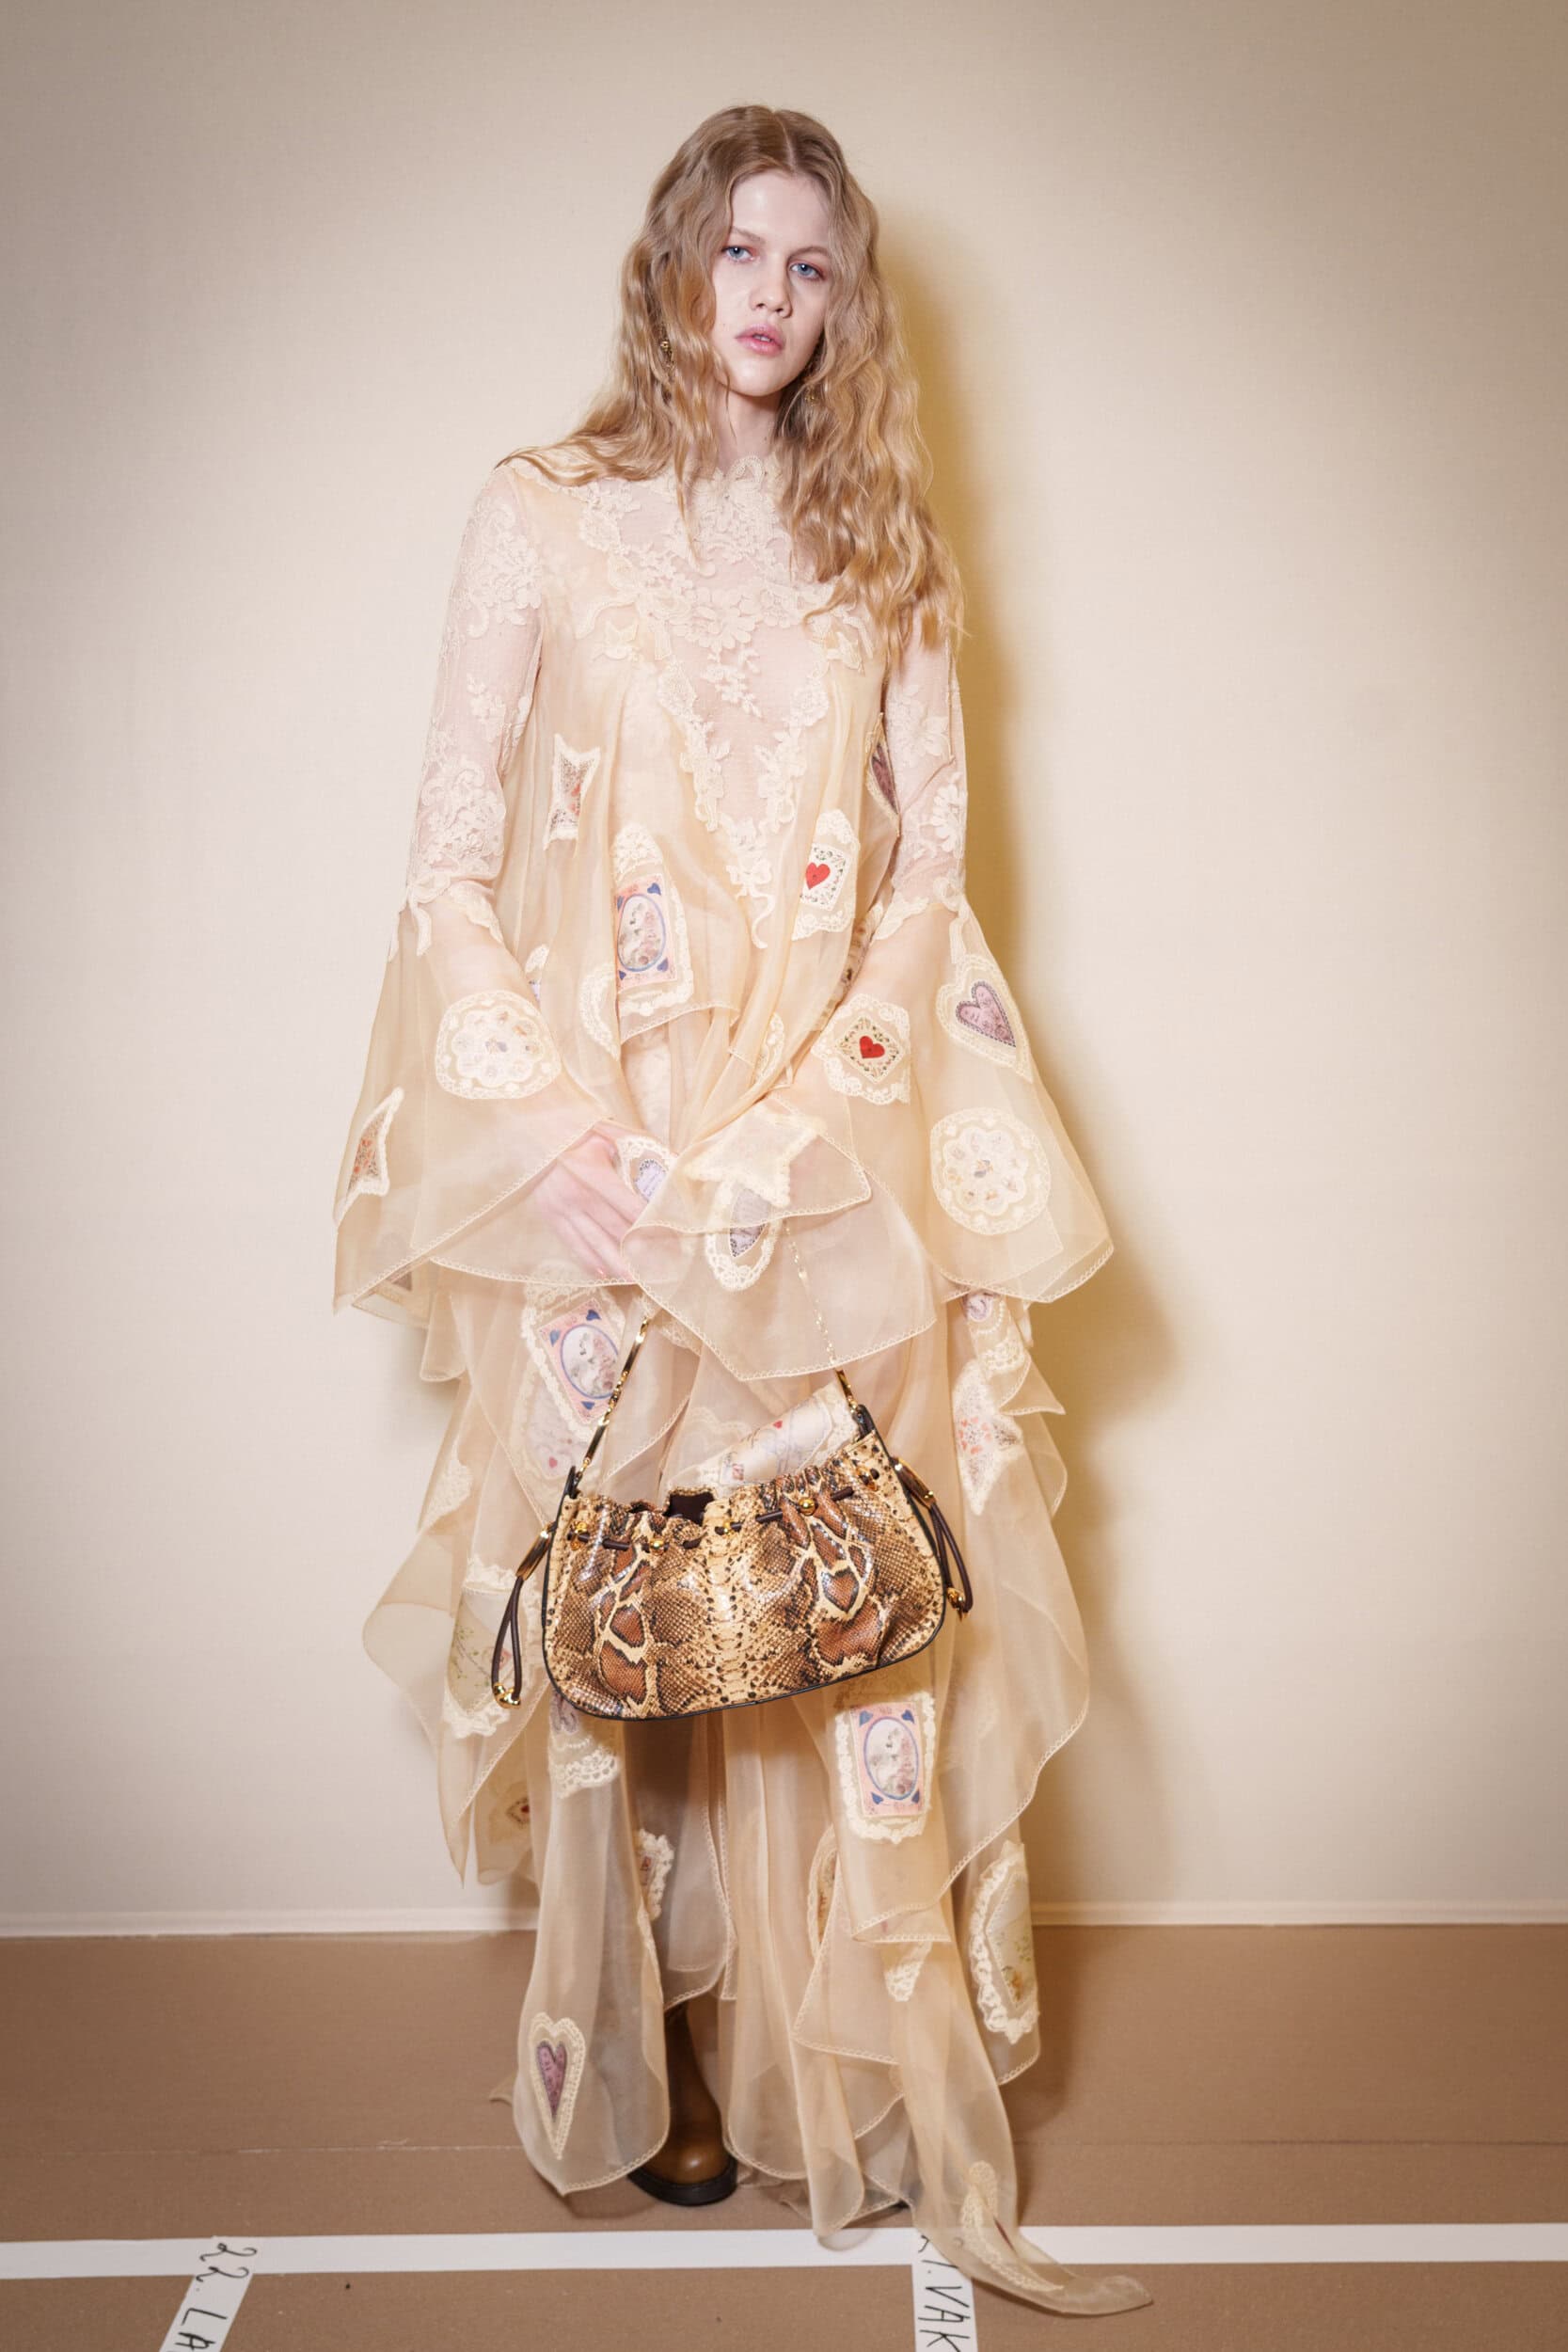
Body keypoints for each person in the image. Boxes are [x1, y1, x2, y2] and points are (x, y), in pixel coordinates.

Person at [332, 103, 1149, 2322]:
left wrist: (811, 1121)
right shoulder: (542, 514)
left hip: (815, 1154)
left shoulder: (890, 549)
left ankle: (821, 2035)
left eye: (811, 263)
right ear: (672, 262)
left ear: (844, 296)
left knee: (827, 1593)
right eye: (738, 251)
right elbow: (446, 860)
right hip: (600, 1161)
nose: (770, 298)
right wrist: (554, 1135)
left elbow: (928, 878)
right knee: (625, 1600)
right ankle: (666, 2029)